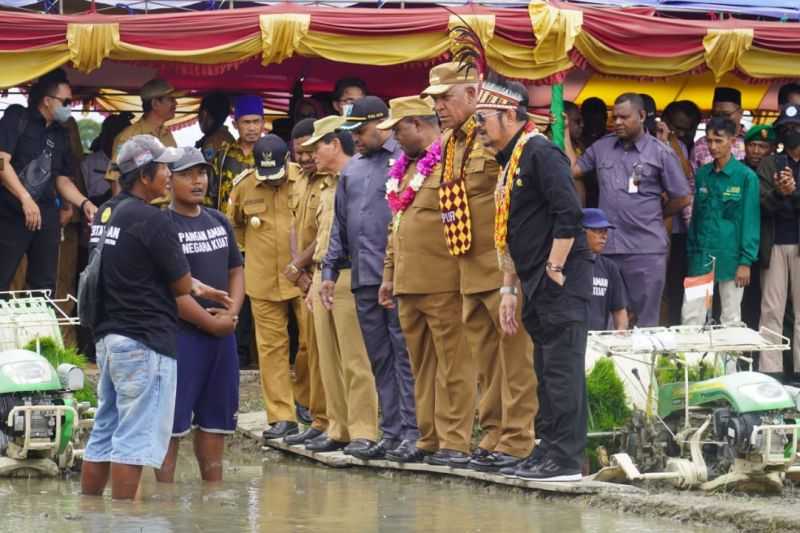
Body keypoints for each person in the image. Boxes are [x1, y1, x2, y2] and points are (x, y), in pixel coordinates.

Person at [80, 135, 229, 500]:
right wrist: (191, 286)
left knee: (105, 430)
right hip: (145, 340)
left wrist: (200, 287)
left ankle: (91, 514)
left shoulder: (108, 212)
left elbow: (132, 264)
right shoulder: (152, 219)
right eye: (163, 168)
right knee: (135, 436)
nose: (168, 174)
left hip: (110, 338)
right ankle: (125, 521)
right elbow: (177, 284)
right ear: (145, 176)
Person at [423, 62, 537, 469]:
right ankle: (492, 434)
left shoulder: (497, 137)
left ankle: (518, 438)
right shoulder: (452, 143)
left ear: (473, 95)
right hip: (468, 270)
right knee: (486, 363)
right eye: (433, 100)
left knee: (515, 360)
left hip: (502, 270)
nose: (437, 107)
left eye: (444, 98)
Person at [478, 76, 590, 482]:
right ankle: (546, 450)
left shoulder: (542, 153)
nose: (479, 129)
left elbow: (569, 215)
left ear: (509, 114)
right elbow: (509, 229)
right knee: (544, 370)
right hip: (532, 280)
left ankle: (566, 461)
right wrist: (509, 288)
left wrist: (555, 267)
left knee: (562, 371)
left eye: (483, 119)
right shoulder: (509, 159)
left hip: (559, 279)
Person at [376, 96, 474, 465]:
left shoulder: (450, 161)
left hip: (443, 284)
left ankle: (455, 441)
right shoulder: (404, 169)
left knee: (454, 366)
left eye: (398, 129)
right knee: (421, 367)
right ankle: (429, 437)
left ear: (417, 124)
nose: (394, 138)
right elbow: (396, 227)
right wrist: (388, 276)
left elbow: (462, 225)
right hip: (407, 286)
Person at [322, 96, 420, 450]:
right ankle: (391, 432)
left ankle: (413, 432)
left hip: (399, 276)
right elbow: (340, 224)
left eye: (360, 131)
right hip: (363, 277)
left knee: (404, 356)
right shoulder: (352, 170)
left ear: (382, 125)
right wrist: (330, 270)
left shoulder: (406, 161)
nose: (356, 139)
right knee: (379, 357)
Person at [156, 147, 244, 483]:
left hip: (222, 335)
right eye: (187, 174)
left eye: (202, 173)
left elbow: (236, 270)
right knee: (172, 425)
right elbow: (169, 288)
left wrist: (231, 312)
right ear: (169, 181)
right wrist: (209, 321)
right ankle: (163, 504)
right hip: (181, 336)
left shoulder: (219, 220)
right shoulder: (162, 224)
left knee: (216, 420)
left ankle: (214, 496)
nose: (198, 181)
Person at [567, 93, 691, 327]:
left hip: (645, 250)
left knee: (645, 323)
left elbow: (683, 197)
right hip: (608, 249)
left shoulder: (660, 152)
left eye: (624, 117)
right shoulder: (602, 147)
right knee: (604, 321)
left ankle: (642, 365)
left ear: (642, 116)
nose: (618, 122)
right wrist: (563, 131)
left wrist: (657, 214)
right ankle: (605, 365)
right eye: (615, 117)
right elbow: (573, 170)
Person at [299, 116, 381, 456]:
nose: (309, 154)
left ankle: (365, 429)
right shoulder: (321, 184)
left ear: (335, 143)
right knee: (328, 359)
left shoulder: (360, 176)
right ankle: (338, 426)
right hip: (323, 274)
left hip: (350, 274)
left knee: (355, 357)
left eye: (316, 145)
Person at [227, 134, 307, 440]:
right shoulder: (244, 185)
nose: (272, 180)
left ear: (288, 161)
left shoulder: (303, 179)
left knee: (309, 344)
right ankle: (281, 416)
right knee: (271, 349)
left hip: (302, 278)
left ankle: (308, 401)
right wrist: (255, 253)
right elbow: (235, 225)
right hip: (262, 279)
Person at [0, 68, 97, 292]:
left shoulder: (60, 133)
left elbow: (61, 179)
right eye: (66, 102)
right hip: (9, 213)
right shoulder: (17, 117)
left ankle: (38, 328)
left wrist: (84, 203)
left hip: (45, 216)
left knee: (43, 287)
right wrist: (24, 197)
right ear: (47, 100)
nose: (69, 107)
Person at [281, 118, 331, 446]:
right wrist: (298, 271)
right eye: (299, 153)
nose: (304, 158)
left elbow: (326, 232)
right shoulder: (299, 181)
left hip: (324, 274)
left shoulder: (332, 181)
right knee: (310, 349)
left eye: (310, 151)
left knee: (327, 354)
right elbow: (295, 227)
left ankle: (329, 421)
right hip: (306, 278)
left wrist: (301, 265)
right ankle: (319, 417)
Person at [681, 117, 759, 326]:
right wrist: (691, 251)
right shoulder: (703, 174)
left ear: (732, 141)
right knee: (691, 317)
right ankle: (692, 360)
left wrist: (746, 261)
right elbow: (696, 217)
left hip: (731, 257)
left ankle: (728, 361)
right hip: (701, 255)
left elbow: (750, 221)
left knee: (731, 319)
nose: (713, 146)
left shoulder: (746, 176)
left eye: (719, 140)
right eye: (709, 140)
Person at [210, 94, 264, 369]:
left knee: (263, 296)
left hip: (262, 238)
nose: (252, 127)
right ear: (236, 123)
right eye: (246, 122)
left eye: (257, 122)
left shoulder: (270, 154)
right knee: (233, 293)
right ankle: (238, 355)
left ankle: (259, 357)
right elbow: (211, 197)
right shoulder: (222, 157)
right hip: (229, 237)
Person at [758, 104, 800, 380]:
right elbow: (761, 203)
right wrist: (781, 192)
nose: (790, 132)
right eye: (785, 128)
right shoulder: (770, 163)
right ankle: (771, 373)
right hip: (773, 245)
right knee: (771, 310)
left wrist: (794, 194)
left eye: (795, 127)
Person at [657, 101, 696, 325]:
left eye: (685, 129)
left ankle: (669, 328)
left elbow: (683, 175)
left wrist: (672, 139)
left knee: (673, 285)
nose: (680, 132)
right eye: (676, 126)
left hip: (679, 228)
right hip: (654, 226)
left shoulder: (678, 144)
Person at [106, 78, 180, 195]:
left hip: (168, 210)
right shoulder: (128, 137)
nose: (176, 103)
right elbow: (116, 180)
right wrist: (123, 211)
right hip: (142, 210)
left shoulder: (167, 134)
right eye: (171, 99)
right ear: (155, 104)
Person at [741, 125, 776, 331]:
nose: (756, 151)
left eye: (762, 146)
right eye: (752, 145)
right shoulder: (737, 170)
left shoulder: (776, 172)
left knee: (763, 303)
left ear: (771, 149)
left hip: (765, 245)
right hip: (740, 246)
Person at [583, 209, 629, 331]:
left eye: (605, 231)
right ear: (581, 232)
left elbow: (619, 309)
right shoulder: (564, 265)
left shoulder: (609, 267)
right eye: (597, 231)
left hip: (598, 339)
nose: (604, 236)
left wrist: (621, 333)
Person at [81, 113, 132, 208]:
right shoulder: (89, 162)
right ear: (105, 135)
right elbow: (83, 194)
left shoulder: (132, 162)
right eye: (113, 134)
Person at [691, 87, 746, 171]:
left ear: (741, 113)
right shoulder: (701, 145)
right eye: (716, 114)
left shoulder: (751, 142)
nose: (721, 118)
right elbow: (693, 180)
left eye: (727, 114)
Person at [195, 92, 234, 163]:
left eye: (199, 116)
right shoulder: (226, 136)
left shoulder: (214, 141)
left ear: (204, 114)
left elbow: (208, 171)